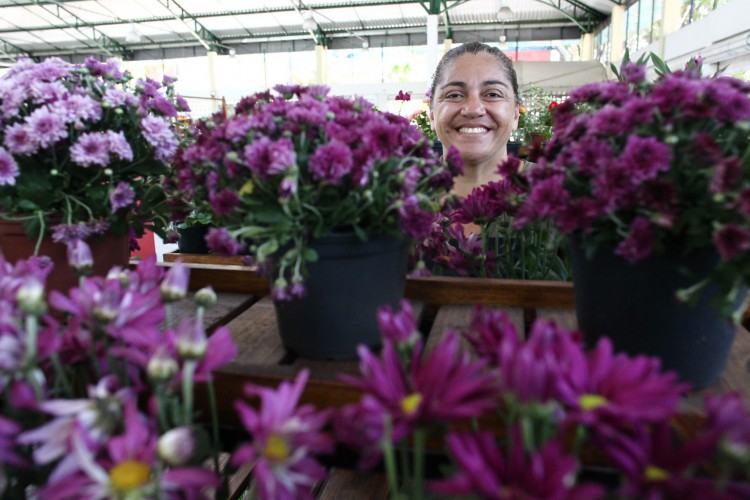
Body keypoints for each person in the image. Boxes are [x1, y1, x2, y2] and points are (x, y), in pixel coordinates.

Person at [428, 41, 521, 199]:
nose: (473, 109)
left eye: (493, 94)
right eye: (454, 95)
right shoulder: (393, 200)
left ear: (515, 115)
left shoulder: (563, 192)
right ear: (432, 116)